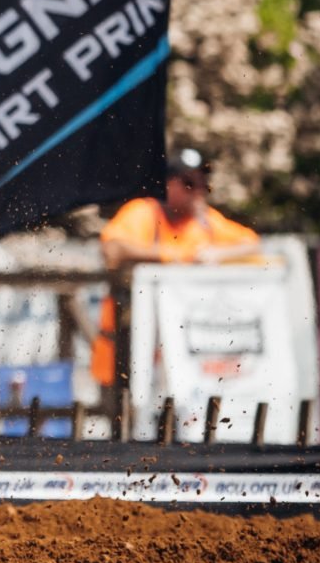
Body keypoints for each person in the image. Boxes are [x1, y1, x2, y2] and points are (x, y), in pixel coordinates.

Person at [90, 147, 262, 387]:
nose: (199, 191)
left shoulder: (205, 221)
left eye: (204, 184)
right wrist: (171, 257)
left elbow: (252, 244)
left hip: (185, 364)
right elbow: (112, 248)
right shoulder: (143, 211)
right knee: (126, 421)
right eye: (190, 183)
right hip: (127, 356)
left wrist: (218, 254)